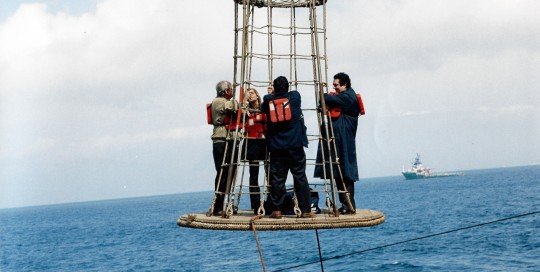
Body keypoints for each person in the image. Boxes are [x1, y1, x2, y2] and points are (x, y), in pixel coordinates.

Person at [261, 76, 316, 219]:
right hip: (295, 145)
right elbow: (292, 94)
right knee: (300, 177)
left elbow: (263, 107)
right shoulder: (295, 97)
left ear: (274, 87)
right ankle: (306, 210)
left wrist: (272, 94)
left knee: (277, 179)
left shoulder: (268, 100)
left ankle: (277, 210)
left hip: (277, 146)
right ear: (287, 86)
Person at [314, 72, 360, 214]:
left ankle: (349, 205)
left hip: (345, 141)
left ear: (344, 84)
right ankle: (346, 204)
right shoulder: (343, 96)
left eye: (336, 85)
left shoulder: (348, 97)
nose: (334, 88)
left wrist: (324, 93)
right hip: (340, 140)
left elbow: (326, 99)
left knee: (345, 173)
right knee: (340, 172)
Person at [211, 80, 240, 216]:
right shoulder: (218, 101)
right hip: (221, 139)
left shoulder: (223, 100)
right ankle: (217, 205)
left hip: (230, 138)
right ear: (225, 91)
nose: (232, 92)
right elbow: (231, 107)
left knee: (231, 171)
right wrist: (242, 101)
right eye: (231, 89)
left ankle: (226, 203)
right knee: (222, 172)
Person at [243, 88, 266, 214]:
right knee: (253, 175)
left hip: (264, 142)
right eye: (248, 94)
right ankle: (256, 205)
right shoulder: (244, 111)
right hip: (251, 142)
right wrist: (244, 103)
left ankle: (273, 202)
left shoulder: (264, 107)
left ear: (257, 95)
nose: (250, 95)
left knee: (270, 173)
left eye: (252, 93)